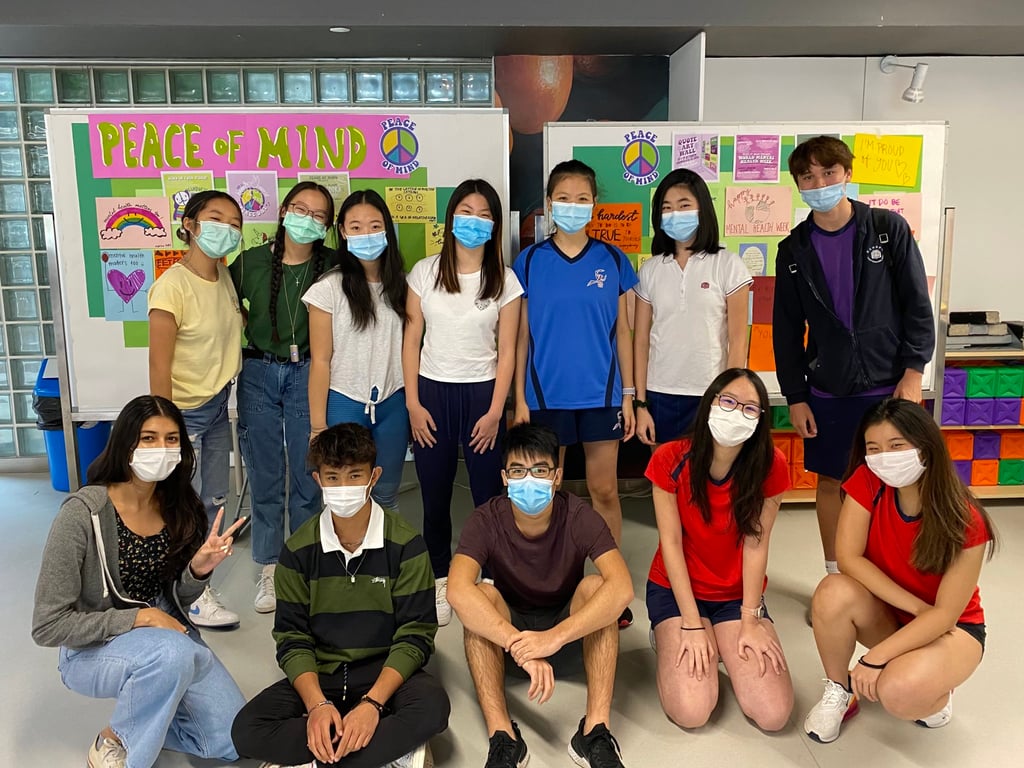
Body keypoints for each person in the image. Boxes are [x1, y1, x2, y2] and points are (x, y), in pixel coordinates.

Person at [32, 394, 247, 768]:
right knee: (174, 654)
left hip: (165, 633)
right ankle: (123, 748)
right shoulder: (83, 515)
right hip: (93, 646)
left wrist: (198, 569)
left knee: (230, 738)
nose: (160, 449)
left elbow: (175, 597)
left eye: (170, 439)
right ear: (126, 443)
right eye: (148, 438)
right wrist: (139, 619)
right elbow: (48, 626)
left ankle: (141, 715)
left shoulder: (179, 506)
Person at [231, 423, 449, 768]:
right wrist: (317, 706)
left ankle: (318, 757)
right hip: (323, 674)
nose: (343, 487)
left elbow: (415, 635)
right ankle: (383, 753)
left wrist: (372, 705)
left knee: (433, 707)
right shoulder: (298, 550)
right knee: (246, 730)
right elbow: (292, 638)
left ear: (374, 477)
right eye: (333, 477)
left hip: (384, 673)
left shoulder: (406, 544)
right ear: (318, 480)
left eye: (354, 476)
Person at [773, 135, 935, 579]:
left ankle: (897, 573)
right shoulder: (793, 250)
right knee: (831, 482)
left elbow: (917, 307)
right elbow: (786, 332)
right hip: (828, 389)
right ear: (798, 184)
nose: (819, 182)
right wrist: (796, 396)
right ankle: (837, 575)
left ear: (846, 173)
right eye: (808, 176)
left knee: (897, 480)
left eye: (828, 172)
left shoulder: (886, 228)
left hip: (889, 385)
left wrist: (913, 371)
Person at [804, 398, 996, 744]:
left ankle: (938, 691)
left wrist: (874, 658)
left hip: (953, 629)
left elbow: (946, 616)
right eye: (873, 448)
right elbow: (848, 558)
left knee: (898, 693)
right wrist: (914, 608)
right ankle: (840, 690)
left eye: (897, 446)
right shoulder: (868, 481)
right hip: (898, 612)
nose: (884, 458)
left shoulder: (966, 520)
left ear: (925, 446)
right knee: (833, 591)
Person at [447, 423, 634, 768]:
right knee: (478, 595)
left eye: (540, 470)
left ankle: (594, 731)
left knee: (597, 588)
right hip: (509, 649)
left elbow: (622, 587)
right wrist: (518, 644)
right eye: (518, 470)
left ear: (557, 476)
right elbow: (456, 589)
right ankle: (503, 737)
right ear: (504, 477)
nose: (528, 479)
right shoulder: (486, 519)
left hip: (568, 639)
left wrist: (553, 638)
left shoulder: (578, 515)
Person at [512, 159, 638, 626]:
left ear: (594, 205)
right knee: (548, 493)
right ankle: (552, 589)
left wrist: (628, 395)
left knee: (604, 490)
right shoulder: (528, 261)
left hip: (601, 396)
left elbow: (623, 332)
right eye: (563, 198)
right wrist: (519, 400)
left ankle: (610, 589)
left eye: (582, 198)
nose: (572, 206)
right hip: (545, 398)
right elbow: (520, 336)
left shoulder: (613, 261)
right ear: (549, 204)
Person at [645, 368, 793, 731]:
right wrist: (693, 624)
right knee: (692, 711)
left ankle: (724, 634)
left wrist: (750, 619)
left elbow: (757, 546)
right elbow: (672, 545)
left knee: (774, 715)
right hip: (677, 591)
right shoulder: (669, 458)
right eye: (728, 401)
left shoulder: (771, 466)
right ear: (710, 403)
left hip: (735, 596)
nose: (735, 412)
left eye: (749, 409)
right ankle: (672, 631)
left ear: (760, 421)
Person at [404, 178, 522, 627]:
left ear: (494, 223)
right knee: (433, 496)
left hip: (483, 395)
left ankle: (487, 578)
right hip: (432, 393)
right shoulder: (424, 272)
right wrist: (413, 403)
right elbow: (411, 339)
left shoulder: (505, 280)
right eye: (465, 211)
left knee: (487, 496)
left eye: (483, 213)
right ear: (451, 218)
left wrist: (496, 411)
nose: (474, 221)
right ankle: (439, 576)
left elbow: (508, 350)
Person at [231, 181, 337, 614]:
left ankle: (303, 565)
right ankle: (270, 568)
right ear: (283, 212)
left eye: (318, 215)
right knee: (265, 475)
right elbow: (223, 306)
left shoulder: (333, 266)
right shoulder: (250, 263)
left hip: (309, 373)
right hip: (257, 371)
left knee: (307, 471)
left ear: (328, 226)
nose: (306, 219)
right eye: (299, 209)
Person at [148, 189, 244, 628]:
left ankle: (195, 589)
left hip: (217, 403)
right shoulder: (172, 285)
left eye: (234, 222)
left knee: (210, 502)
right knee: (177, 506)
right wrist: (164, 430)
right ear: (189, 224)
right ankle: (173, 596)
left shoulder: (222, 276)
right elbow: (158, 364)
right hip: (182, 413)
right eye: (215, 218)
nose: (225, 228)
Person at [305, 190, 409, 512]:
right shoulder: (328, 289)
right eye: (356, 227)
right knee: (344, 497)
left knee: (386, 492)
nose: (366, 234)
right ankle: (345, 558)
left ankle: (381, 557)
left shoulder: (405, 286)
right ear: (342, 232)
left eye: (375, 226)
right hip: (343, 402)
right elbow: (320, 361)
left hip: (394, 402)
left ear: (387, 231)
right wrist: (318, 426)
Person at [634, 169, 752, 447]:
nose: (675, 214)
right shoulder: (650, 269)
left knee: (707, 480)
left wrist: (730, 398)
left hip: (712, 392)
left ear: (702, 209)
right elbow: (640, 342)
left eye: (684, 205)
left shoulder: (728, 264)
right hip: (660, 393)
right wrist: (641, 403)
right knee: (665, 480)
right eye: (667, 208)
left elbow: (737, 340)